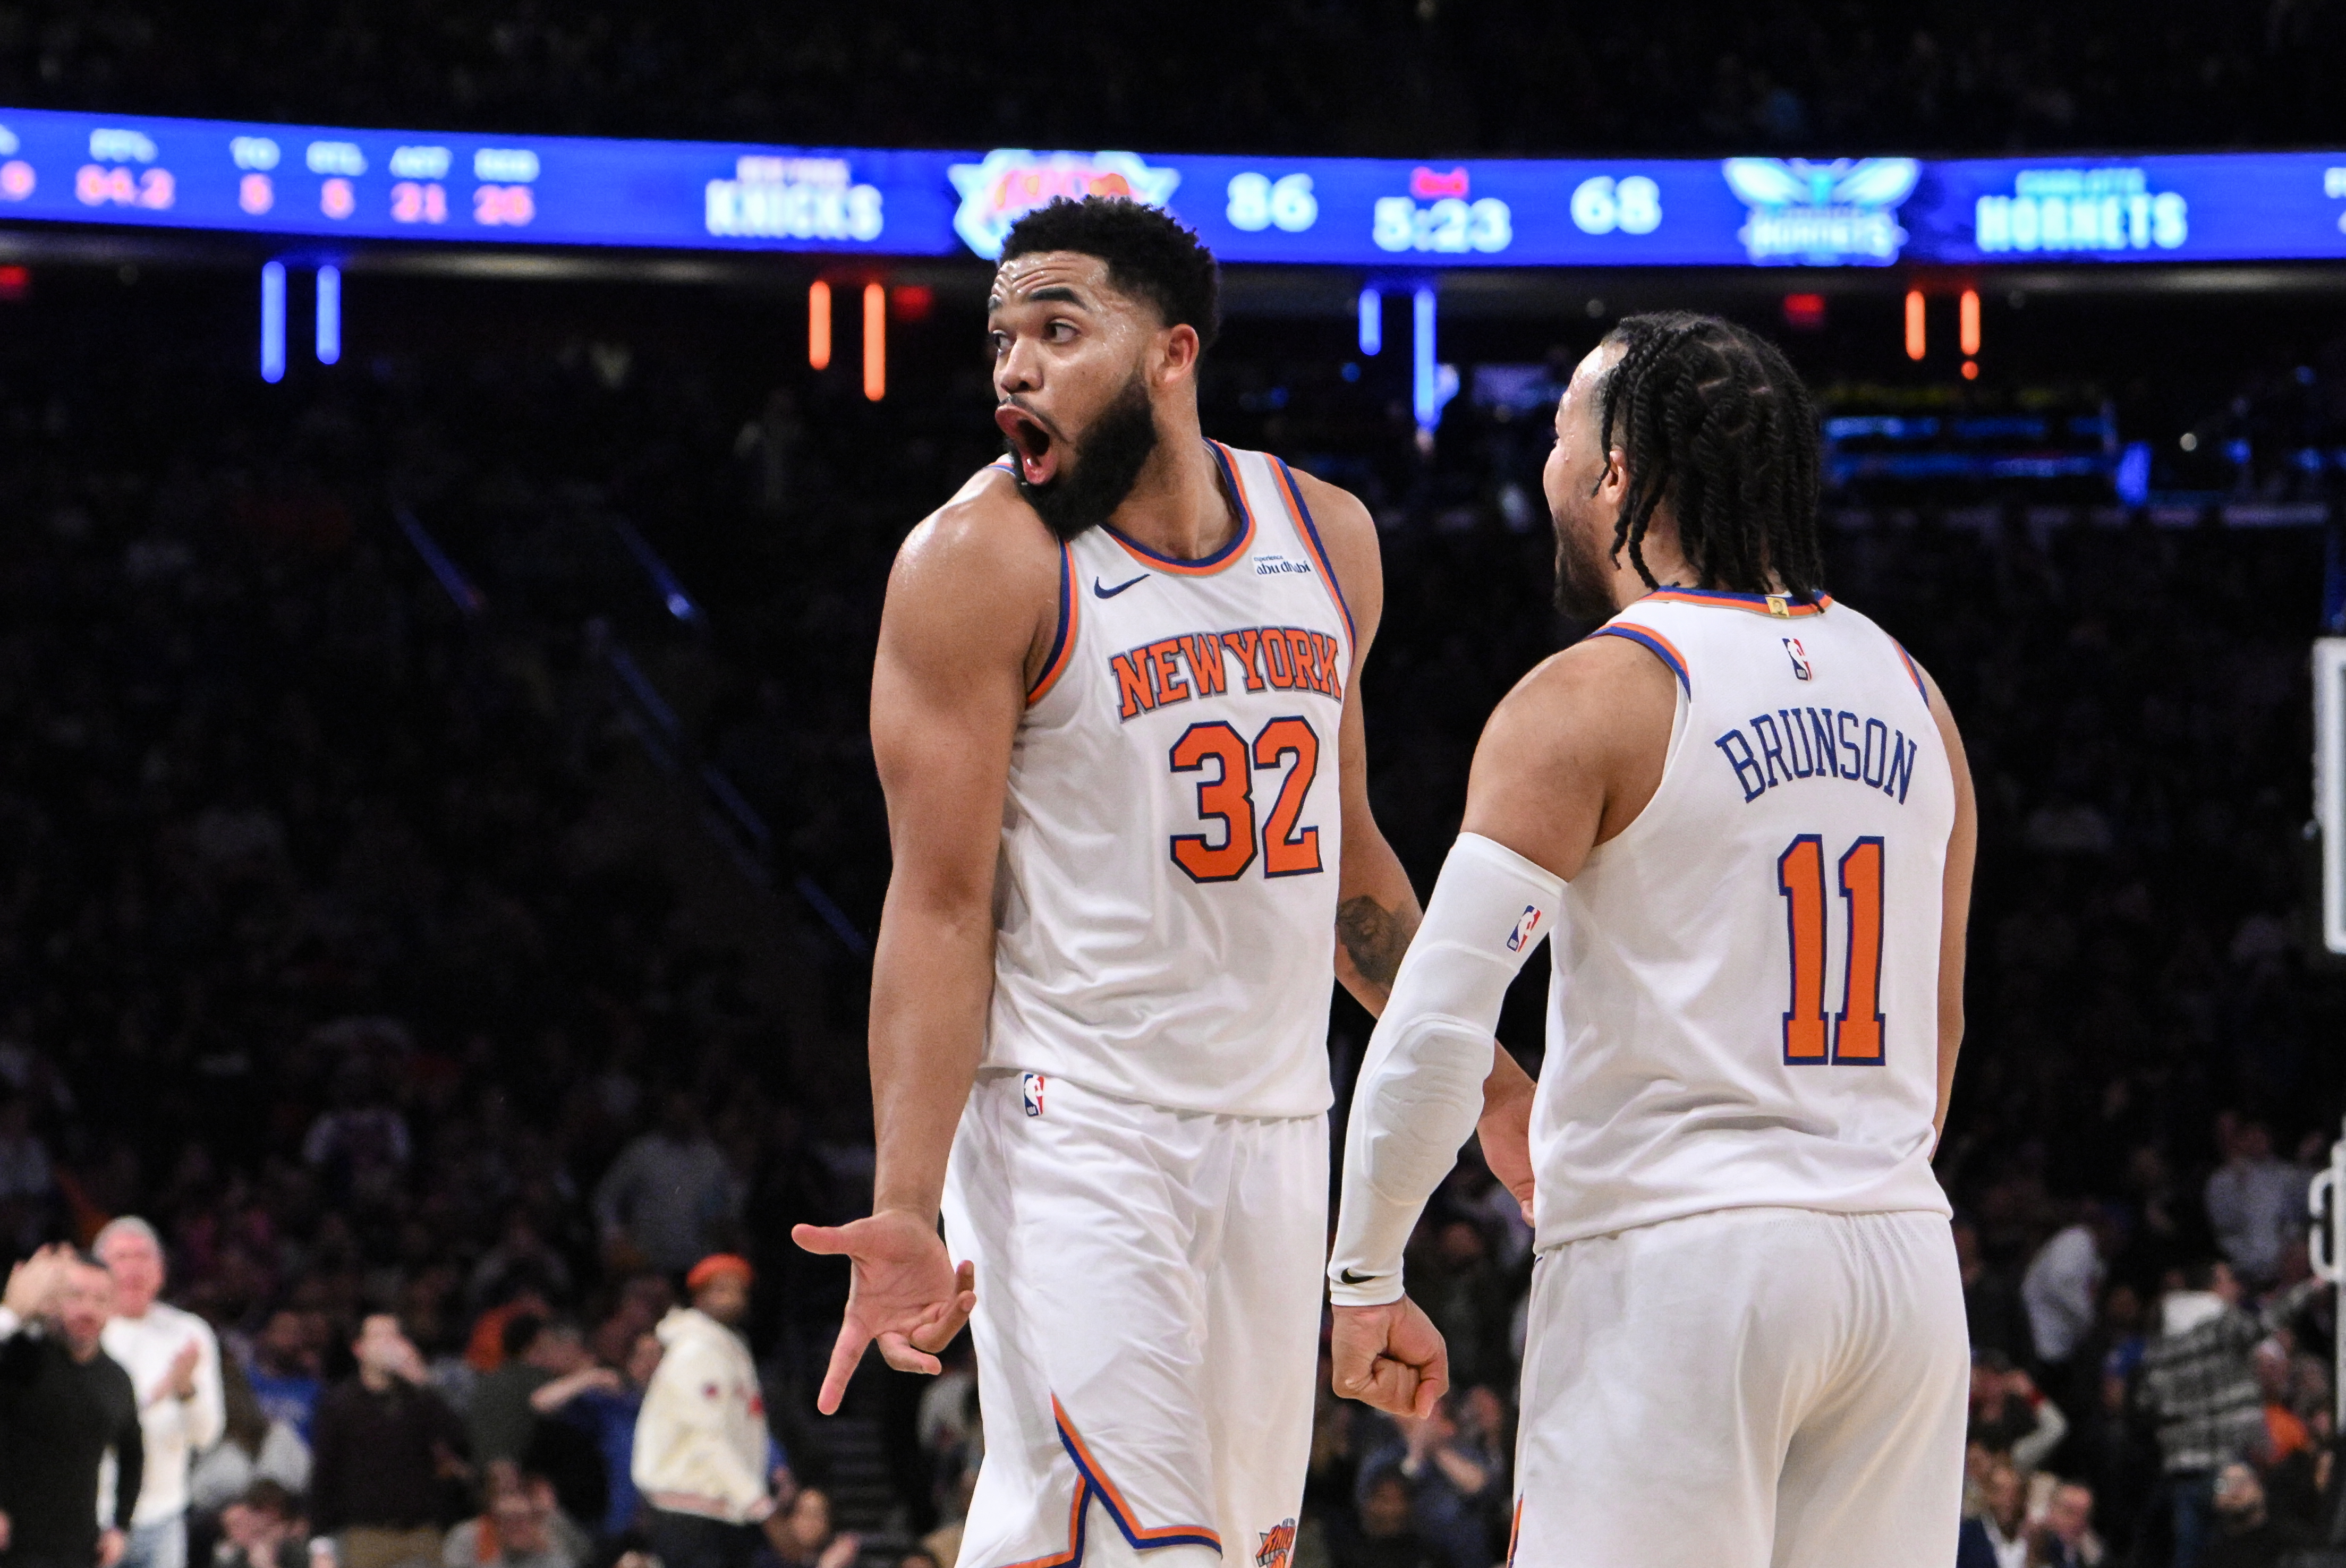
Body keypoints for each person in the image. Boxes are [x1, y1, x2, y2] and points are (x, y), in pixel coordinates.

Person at [793, 193, 1526, 1568]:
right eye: (1003, 336)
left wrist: (1485, 1081)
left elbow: (1347, 855)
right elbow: (936, 907)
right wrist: (902, 1199)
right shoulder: (977, 565)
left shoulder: (1327, 538)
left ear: (1171, 353)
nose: (1015, 365)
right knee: (1145, 1550)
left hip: (1274, 1129)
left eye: (1059, 329)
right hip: (1071, 1125)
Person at [1324, 312, 1978, 1566]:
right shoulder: (1913, 690)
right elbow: (1934, 1025)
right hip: (1895, 1258)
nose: (1544, 468)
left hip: (1679, 1266)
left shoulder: (1594, 693)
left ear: (1614, 474)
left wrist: (1363, 1274)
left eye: (1559, 435)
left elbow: (1435, 1026)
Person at [2137, 1260, 2327, 1568]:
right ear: (2211, 1287)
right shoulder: (2219, 1324)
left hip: (2184, 1469)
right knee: (2235, 1552)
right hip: (2227, 1464)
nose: (2235, 1288)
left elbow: (2146, 1401)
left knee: (2192, 1556)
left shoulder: (2159, 1341)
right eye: (2228, 1280)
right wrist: (2311, 1288)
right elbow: (2264, 1324)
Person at [632, 1256, 789, 1568]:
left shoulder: (725, 1346)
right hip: (692, 1511)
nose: (732, 1296)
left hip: (716, 1507)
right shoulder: (697, 1351)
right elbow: (706, 1437)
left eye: (738, 1289)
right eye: (721, 1289)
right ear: (699, 1297)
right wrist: (761, 1507)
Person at [0, 1243, 144, 1568]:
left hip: (80, 1549)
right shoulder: (18, 1355)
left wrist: (121, 1526)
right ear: (52, 1301)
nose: (87, 1310)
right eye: (76, 1296)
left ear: (113, 1307)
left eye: (100, 1300)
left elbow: (133, 1453)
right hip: (13, 1546)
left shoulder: (116, 1379)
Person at [96, 1216, 226, 1568]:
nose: (134, 1268)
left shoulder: (189, 1333)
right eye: (122, 1258)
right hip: (95, 1514)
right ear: (98, 1270)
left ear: (162, 1272)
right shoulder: (86, 1332)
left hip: (165, 1513)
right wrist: (159, 1394)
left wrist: (186, 1391)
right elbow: (92, 1429)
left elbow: (207, 1436)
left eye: (143, 1257)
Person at [309, 1313, 472, 1568]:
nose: (389, 1344)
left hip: (421, 1532)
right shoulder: (340, 1404)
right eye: (379, 1336)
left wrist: (421, 1381)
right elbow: (324, 1474)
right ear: (359, 1348)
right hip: (365, 1534)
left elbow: (460, 1442)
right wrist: (320, 1542)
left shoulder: (419, 1398)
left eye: (394, 1336)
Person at [532, 1328, 661, 1536]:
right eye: (641, 1356)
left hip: (669, 1511)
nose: (649, 1364)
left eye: (657, 1356)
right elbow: (542, 1402)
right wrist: (592, 1377)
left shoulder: (682, 1407)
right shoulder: (614, 1402)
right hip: (620, 1516)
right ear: (629, 1363)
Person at [439, 1469, 589, 1568]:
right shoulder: (468, 1535)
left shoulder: (555, 1559)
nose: (515, 1528)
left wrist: (555, 1516)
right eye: (507, 1522)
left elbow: (585, 1553)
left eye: (521, 1521)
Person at [2201, 1461, 2316, 1568]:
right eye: (2225, 1485)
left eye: (2242, 1482)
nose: (2235, 1491)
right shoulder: (2214, 1548)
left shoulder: (2289, 1541)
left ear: (2260, 1489)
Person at [1954, 1458, 2026, 1568]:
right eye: (1999, 1491)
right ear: (1987, 1494)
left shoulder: (2038, 1541)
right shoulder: (1966, 1538)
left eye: (2013, 1493)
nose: (2007, 1501)